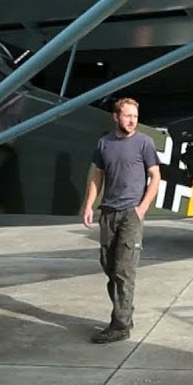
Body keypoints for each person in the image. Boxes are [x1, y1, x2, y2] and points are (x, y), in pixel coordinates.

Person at [82, 97, 161, 344]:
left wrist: (142, 208)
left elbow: (155, 176)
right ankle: (125, 314)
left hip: (130, 214)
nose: (132, 121)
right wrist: (88, 205)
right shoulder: (104, 143)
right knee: (109, 266)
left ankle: (120, 325)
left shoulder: (144, 143)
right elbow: (97, 176)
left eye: (135, 116)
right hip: (108, 212)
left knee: (124, 270)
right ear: (116, 117)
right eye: (127, 116)